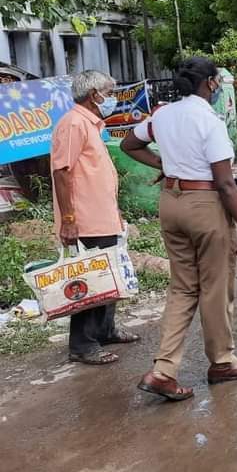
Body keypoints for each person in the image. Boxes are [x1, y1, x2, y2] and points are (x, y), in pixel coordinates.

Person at [121, 57, 237, 401]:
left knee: (183, 288)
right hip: (204, 206)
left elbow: (129, 144)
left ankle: (163, 370)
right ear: (211, 84)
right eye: (217, 82)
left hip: (171, 204)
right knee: (215, 287)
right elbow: (226, 185)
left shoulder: (163, 115)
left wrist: (165, 165)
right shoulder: (208, 121)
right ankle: (223, 361)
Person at [51, 70, 140, 364]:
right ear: (94, 95)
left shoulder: (91, 124)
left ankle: (105, 330)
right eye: (109, 92)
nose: (112, 97)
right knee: (89, 281)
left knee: (108, 277)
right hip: (85, 219)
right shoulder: (74, 123)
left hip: (102, 216)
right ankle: (82, 344)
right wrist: (69, 219)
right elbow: (61, 172)